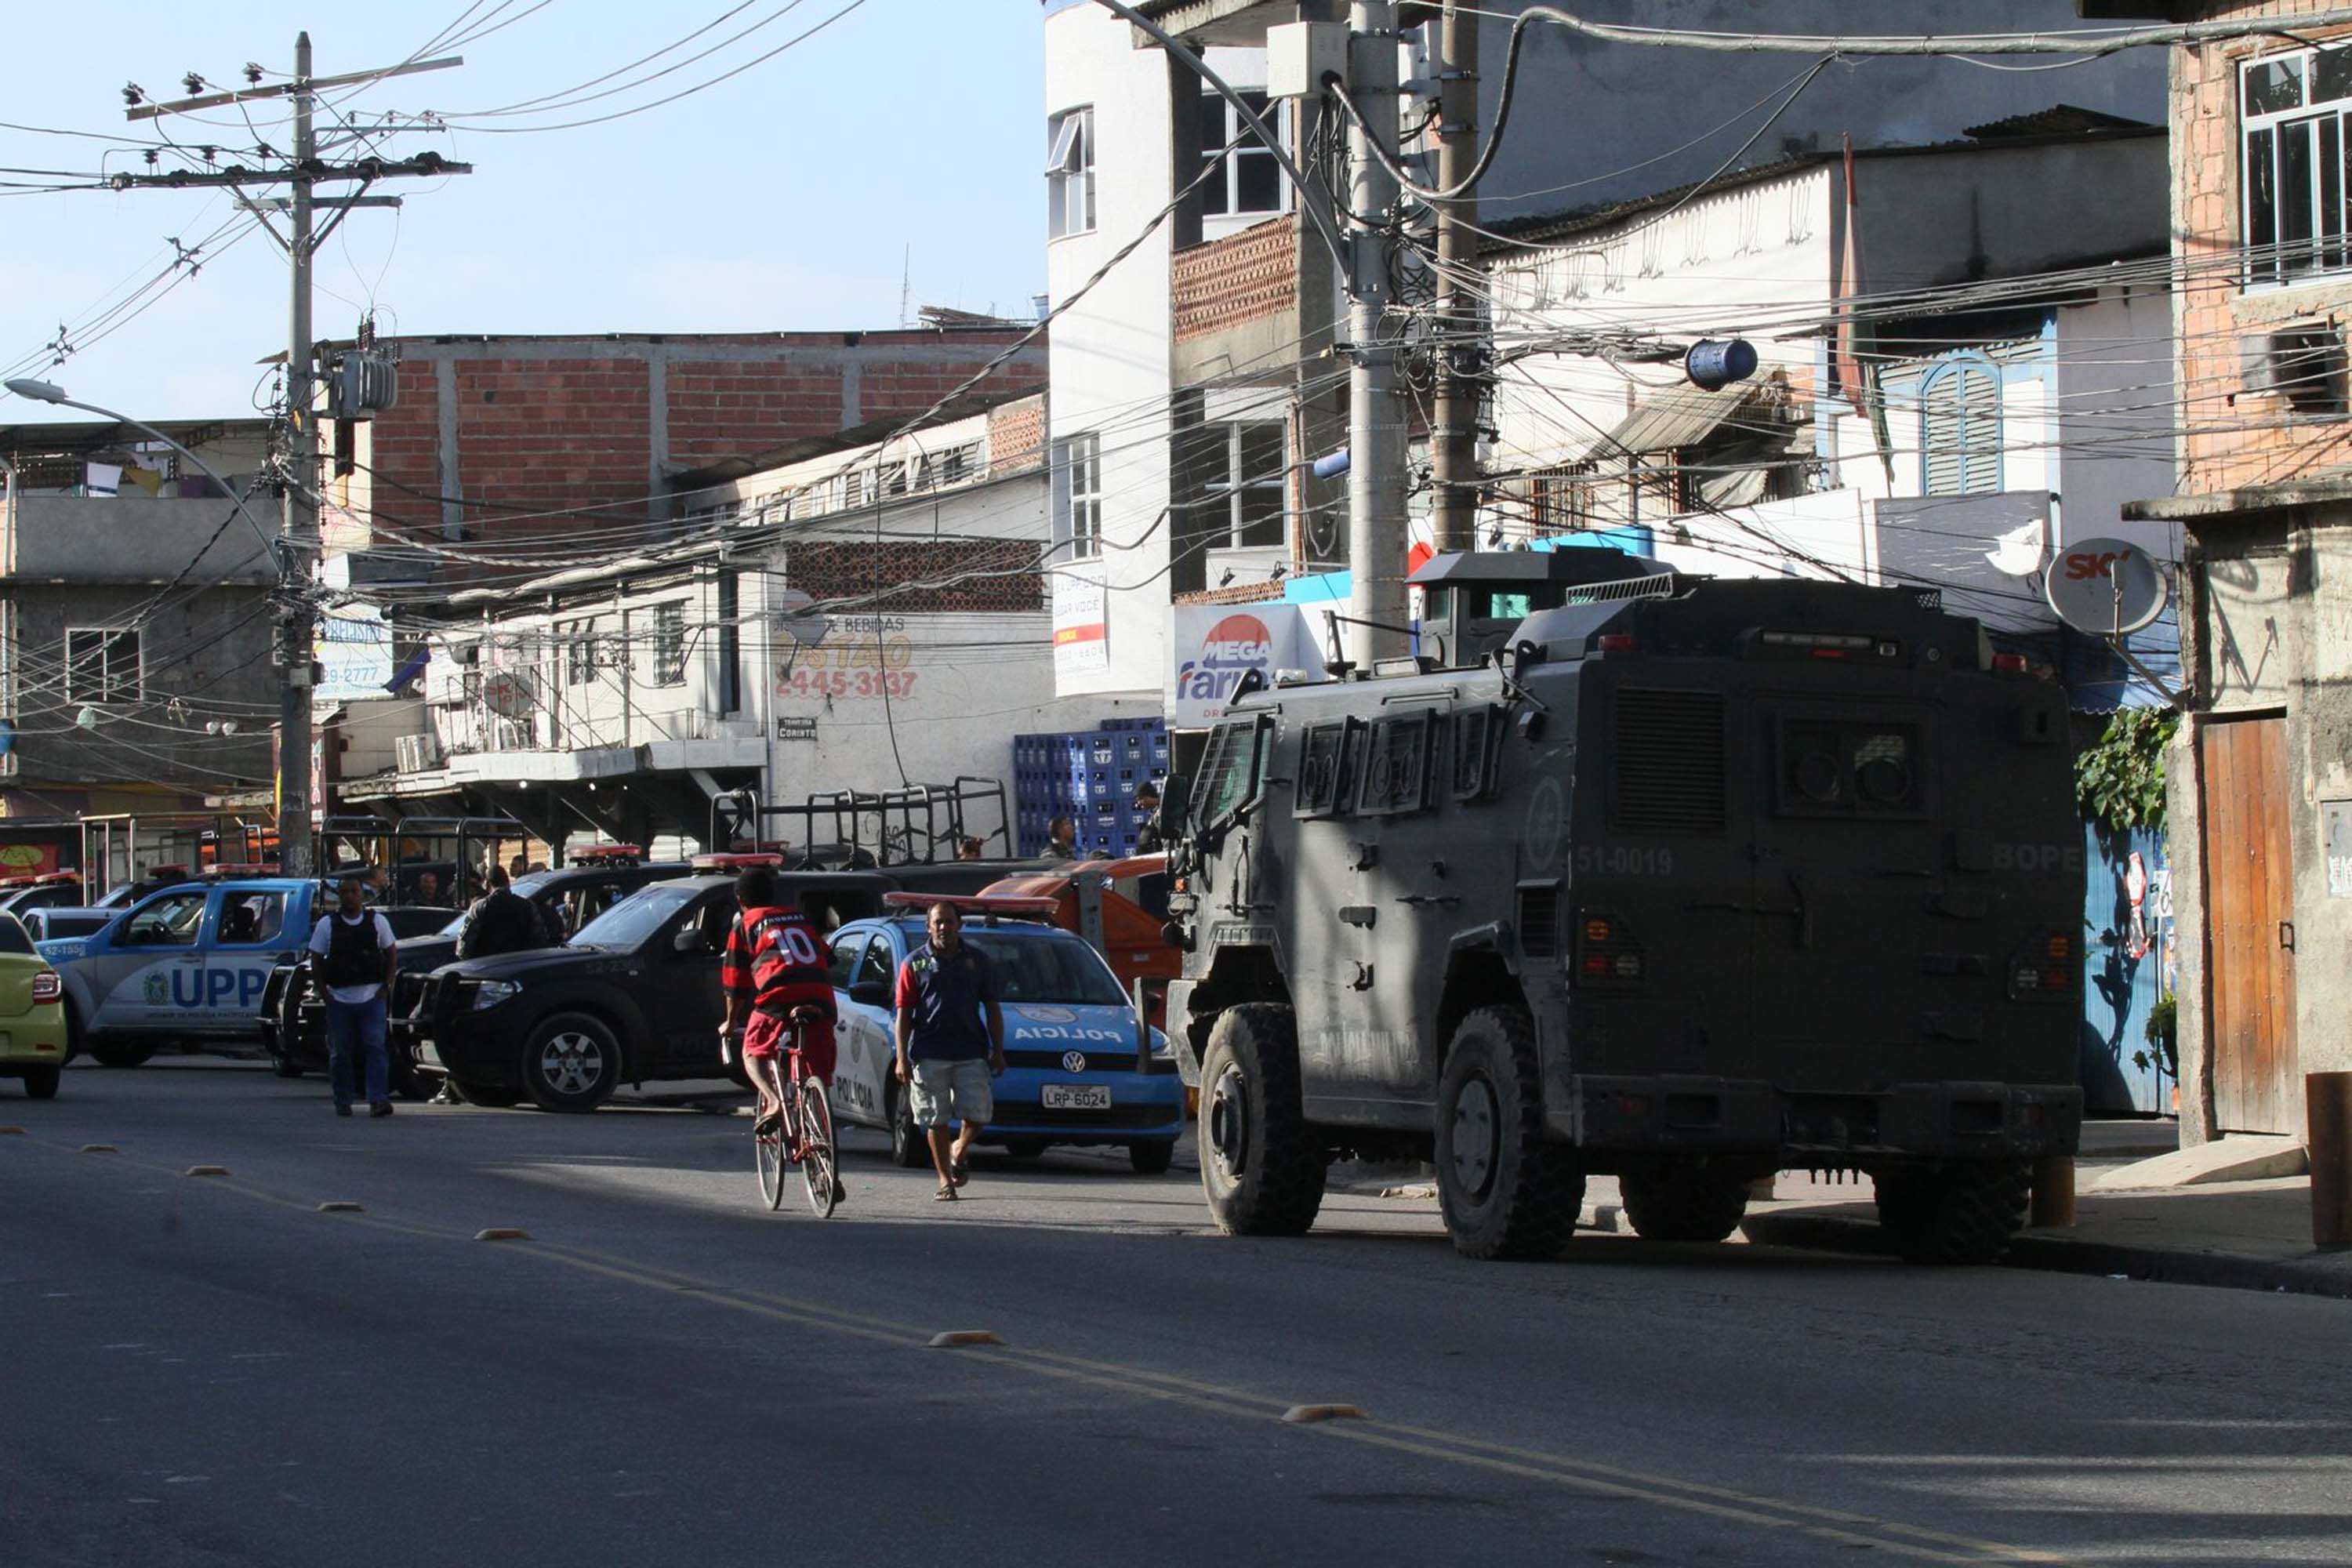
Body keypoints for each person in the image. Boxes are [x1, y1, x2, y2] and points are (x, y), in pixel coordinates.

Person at [718, 865, 843, 1198]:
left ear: (741, 900)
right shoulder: (798, 918)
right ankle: (823, 1148)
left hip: (778, 996)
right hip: (820, 997)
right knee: (816, 1075)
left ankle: (773, 1101)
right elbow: (827, 959)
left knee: (752, 1051)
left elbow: (735, 981)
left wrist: (730, 1021)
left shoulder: (746, 923)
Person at [894, 902, 1004, 1202]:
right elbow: (904, 1014)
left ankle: (960, 1148)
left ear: (960, 925)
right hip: (929, 1053)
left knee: (979, 1115)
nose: (944, 927)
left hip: (971, 1050)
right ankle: (945, 1181)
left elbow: (993, 1008)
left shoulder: (978, 961)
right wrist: (902, 1057)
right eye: (938, 922)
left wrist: (998, 1050)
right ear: (928, 927)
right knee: (936, 1119)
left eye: (949, 922)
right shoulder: (914, 964)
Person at [307, 872, 399, 1119]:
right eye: (345, 892)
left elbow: (391, 953)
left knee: (375, 1047)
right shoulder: (328, 924)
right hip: (339, 999)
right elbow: (315, 959)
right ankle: (343, 1099)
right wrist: (324, 992)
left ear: (362, 895)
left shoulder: (376, 922)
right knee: (341, 1053)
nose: (349, 896)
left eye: (354, 892)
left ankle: (378, 1099)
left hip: (372, 998)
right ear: (339, 896)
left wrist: (386, 986)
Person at [456, 864, 553, 960]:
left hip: (488, 968)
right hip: (521, 966)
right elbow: (540, 941)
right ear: (508, 883)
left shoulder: (480, 907)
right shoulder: (528, 906)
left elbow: (463, 948)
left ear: (488, 885)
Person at [1131, 782, 1164, 855]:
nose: (1138, 803)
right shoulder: (1154, 813)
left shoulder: (1164, 811)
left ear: (1147, 797)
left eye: (1140, 799)